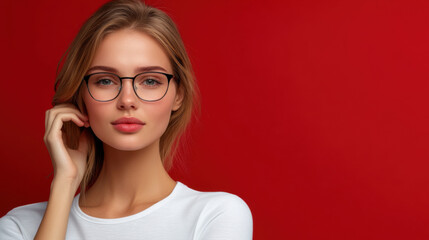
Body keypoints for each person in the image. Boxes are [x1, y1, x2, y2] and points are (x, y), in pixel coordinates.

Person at [0, 0, 253, 239]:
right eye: (105, 81)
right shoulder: (21, 226)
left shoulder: (216, 215)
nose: (127, 100)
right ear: (80, 96)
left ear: (179, 95)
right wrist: (64, 184)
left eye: (151, 81)